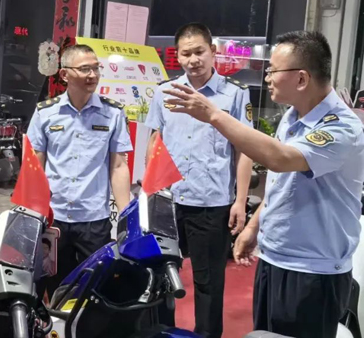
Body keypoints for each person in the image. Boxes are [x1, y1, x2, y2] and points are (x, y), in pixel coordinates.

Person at [162, 30, 364, 338]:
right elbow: (283, 183)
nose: (267, 78)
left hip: (312, 270)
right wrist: (254, 227)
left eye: (272, 71)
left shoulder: (341, 128)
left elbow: (280, 159)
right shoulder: (293, 116)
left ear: (301, 79)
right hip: (274, 257)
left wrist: (214, 115)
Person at [145, 23, 254, 338]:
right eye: (186, 53)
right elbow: (155, 141)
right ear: (177, 56)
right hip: (168, 202)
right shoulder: (165, 91)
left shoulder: (234, 94)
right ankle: (161, 332)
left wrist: (240, 200)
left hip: (211, 203)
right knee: (160, 277)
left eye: (199, 52)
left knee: (209, 283)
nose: (193, 59)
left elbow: (244, 150)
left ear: (213, 51)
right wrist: (149, 193)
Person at [27, 44, 132, 293]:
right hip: (54, 219)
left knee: (95, 289)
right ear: (65, 74)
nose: (92, 75)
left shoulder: (113, 113)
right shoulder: (46, 113)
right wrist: (32, 211)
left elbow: (118, 166)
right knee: (51, 287)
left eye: (96, 68)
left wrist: (126, 214)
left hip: (94, 220)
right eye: (85, 69)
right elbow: (34, 166)